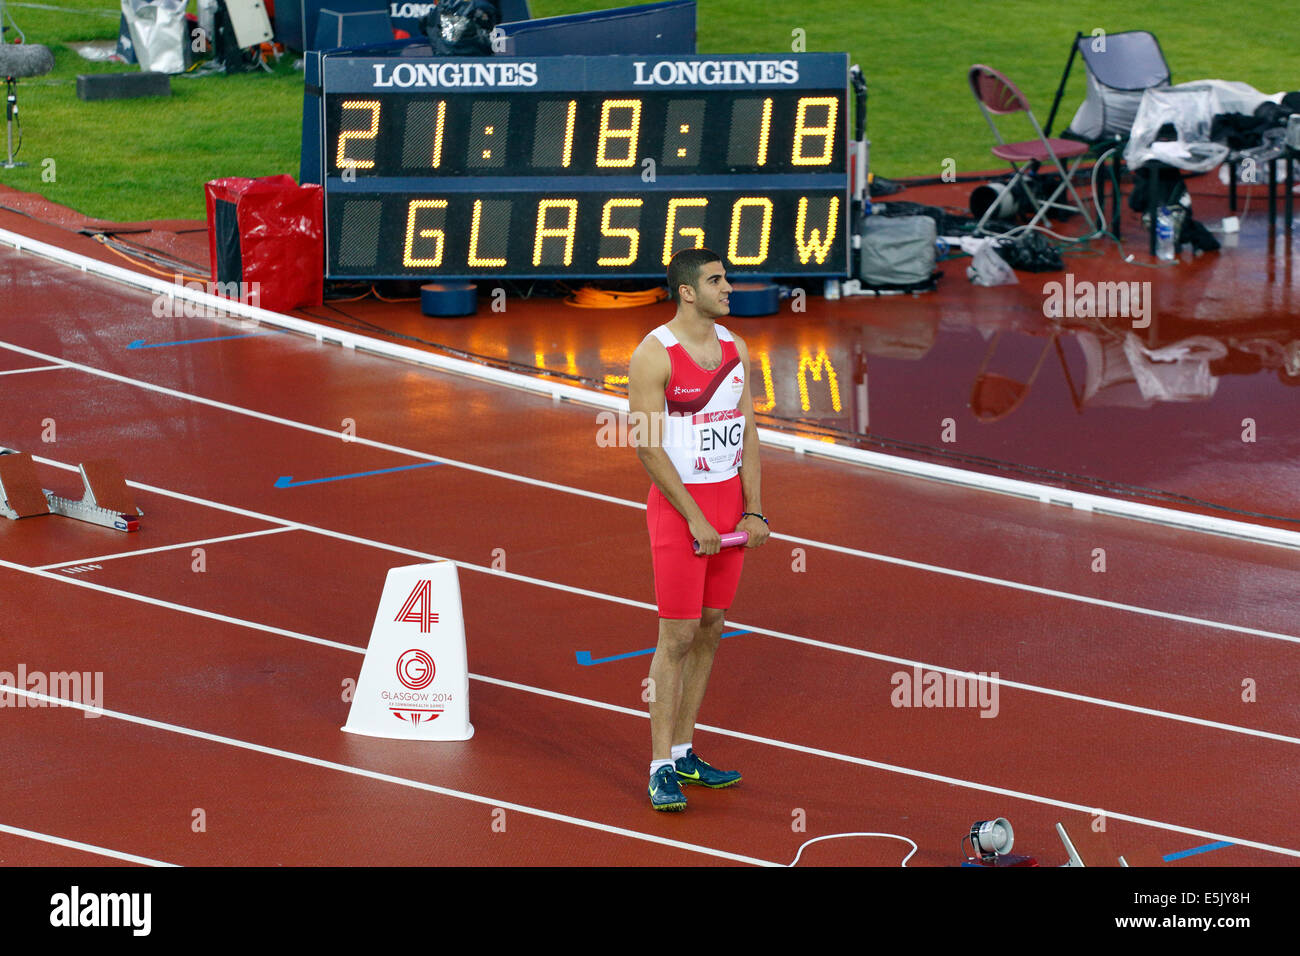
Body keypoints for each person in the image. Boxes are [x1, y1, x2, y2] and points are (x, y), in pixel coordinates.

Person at [628, 247, 770, 812]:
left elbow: (750, 432)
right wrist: (694, 516)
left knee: (712, 628)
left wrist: (754, 509)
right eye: (716, 280)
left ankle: (685, 751)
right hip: (679, 510)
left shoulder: (735, 349)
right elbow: (646, 445)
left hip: (729, 510)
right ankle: (660, 765)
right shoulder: (652, 354)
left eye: (727, 279)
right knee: (677, 637)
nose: (728, 287)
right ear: (687, 291)